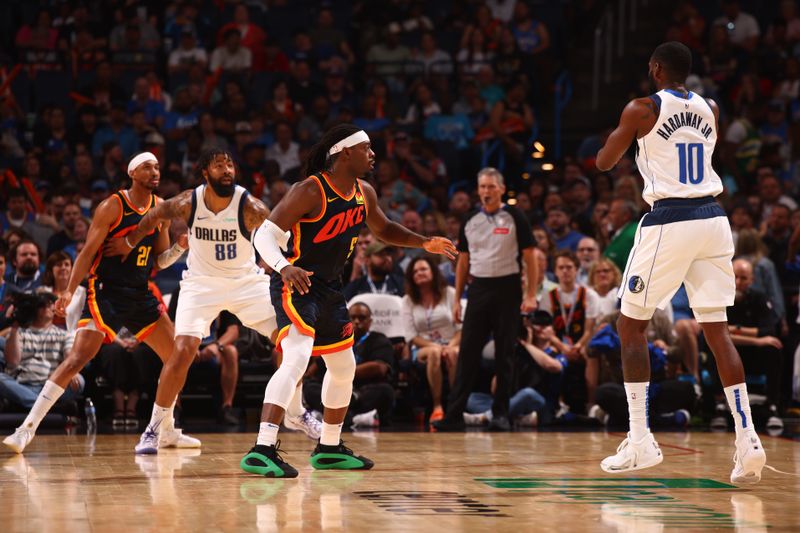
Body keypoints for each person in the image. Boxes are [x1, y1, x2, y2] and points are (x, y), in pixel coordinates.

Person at [242, 124, 456, 477]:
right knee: (295, 357)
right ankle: (262, 448)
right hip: (296, 284)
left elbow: (384, 229)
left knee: (344, 368)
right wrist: (284, 267)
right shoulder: (310, 190)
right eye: (367, 148)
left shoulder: (364, 192)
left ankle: (328, 446)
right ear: (345, 153)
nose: (373, 155)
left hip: (329, 288)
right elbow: (263, 235)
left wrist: (424, 242)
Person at [595, 41, 765, 483]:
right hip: (713, 218)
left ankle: (639, 440)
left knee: (630, 325)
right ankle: (748, 439)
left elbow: (603, 162)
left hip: (670, 219)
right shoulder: (709, 107)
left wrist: (627, 134)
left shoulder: (641, 108)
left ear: (655, 69)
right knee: (717, 331)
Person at [104, 149, 316, 454]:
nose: (227, 169)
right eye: (219, 165)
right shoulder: (188, 202)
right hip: (200, 284)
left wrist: (286, 263)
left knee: (292, 341)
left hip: (245, 282)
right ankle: (155, 429)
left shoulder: (251, 207)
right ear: (205, 173)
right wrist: (130, 240)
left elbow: (280, 237)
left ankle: (295, 411)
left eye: (230, 164)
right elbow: (154, 214)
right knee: (182, 351)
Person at [3, 152, 194, 454]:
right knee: (77, 358)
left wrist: (179, 250)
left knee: (179, 356)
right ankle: (26, 429)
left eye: (158, 166)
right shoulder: (113, 206)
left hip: (139, 292)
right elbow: (87, 253)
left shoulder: (160, 209)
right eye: (148, 167)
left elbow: (159, 260)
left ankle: (167, 429)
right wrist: (66, 291)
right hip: (105, 290)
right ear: (133, 173)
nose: (155, 171)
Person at [433, 167, 538, 432]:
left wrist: (531, 295)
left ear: (502, 189)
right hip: (478, 289)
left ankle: (501, 414)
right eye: (482, 187)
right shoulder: (470, 219)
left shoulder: (515, 216)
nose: (486, 192)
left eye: (491, 187)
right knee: (467, 352)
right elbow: (463, 262)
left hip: (508, 287)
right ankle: (454, 414)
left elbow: (530, 257)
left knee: (505, 353)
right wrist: (457, 298)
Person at [401, 255, 461, 423]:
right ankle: (437, 406)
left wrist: (449, 346)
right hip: (423, 347)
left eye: (423, 269)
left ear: (433, 271)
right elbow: (411, 335)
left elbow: (460, 330)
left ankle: (455, 405)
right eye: (415, 271)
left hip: (452, 342)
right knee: (435, 352)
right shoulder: (408, 300)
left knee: (453, 353)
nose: (419, 273)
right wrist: (437, 347)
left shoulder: (450, 293)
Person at [0, 291, 84, 409]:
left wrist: (72, 372)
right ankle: (45, 407)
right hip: (21, 384)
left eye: (50, 304)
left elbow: (69, 356)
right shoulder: (19, 332)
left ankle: (31, 404)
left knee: (79, 380)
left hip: (49, 387)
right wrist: (14, 327)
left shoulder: (64, 335)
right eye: (42, 305)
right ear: (34, 309)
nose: (47, 307)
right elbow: (13, 362)